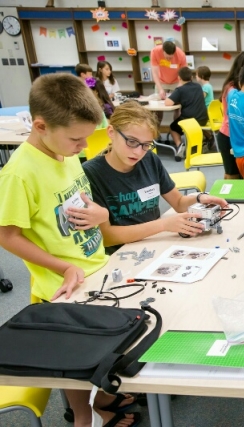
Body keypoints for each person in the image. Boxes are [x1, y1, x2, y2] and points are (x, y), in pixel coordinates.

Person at [0, 73, 140, 427]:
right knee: (75, 358)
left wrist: (101, 213)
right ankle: (87, 416)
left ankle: (103, 400)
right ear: (41, 126)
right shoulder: (20, 172)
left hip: (95, 263)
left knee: (105, 343)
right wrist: (63, 267)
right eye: (77, 139)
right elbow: (6, 234)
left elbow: (81, 200)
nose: (83, 147)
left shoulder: (66, 152)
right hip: (62, 284)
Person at [83, 102, 228, 254]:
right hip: (121, 252)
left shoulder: (150, 160)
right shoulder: (92, 173)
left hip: (154, 243)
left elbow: (178, 202)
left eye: (146, 145)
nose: (138, 152)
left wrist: (199, 198)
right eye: (131, 142)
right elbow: (106, 236)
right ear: (111, 132)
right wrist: (163, 225)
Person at [219, 51, 244, 179]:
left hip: (239, 136)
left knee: (241, 177)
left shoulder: (243, 88)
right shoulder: (232, 90)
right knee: (233, 176)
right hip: (229, 136)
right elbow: (242, 117)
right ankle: (228, 199)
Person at [165, 67, 209, 153]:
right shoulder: (198, 86)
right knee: (195, 124)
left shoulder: (180, 90)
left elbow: (168, 103)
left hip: (189, 120)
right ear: (191, 78)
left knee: (173, 127)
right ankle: (205, 140)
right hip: (203, 118)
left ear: (179, 78)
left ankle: (179, 145)